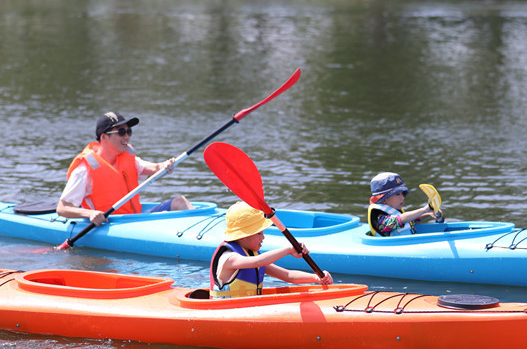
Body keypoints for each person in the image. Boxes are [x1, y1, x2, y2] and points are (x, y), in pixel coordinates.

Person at [57, 111, 193, 225]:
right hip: (110, 224)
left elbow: (155, 168)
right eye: (121, 131)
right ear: (104, 137)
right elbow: (62, 208)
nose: (127, 136)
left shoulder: (127, 158)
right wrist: (90, 213)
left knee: (179, 202)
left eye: (129, 131)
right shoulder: (84, 169)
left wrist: (165, 165)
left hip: (134, 219)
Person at [210, 201, 333, 298]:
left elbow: (288, 275)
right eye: (259, 233)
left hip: (247, 309)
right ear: (242, 236)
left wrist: (316, 278)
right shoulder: (229, 258)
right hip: (225, 310)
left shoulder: (251, 255)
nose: (263, 237)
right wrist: (288, 250)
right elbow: (258, 262)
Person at [367, 172, 438, 237]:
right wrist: (425, 209)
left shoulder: (394, 212)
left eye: (402, 193)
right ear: (384, 199)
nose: (402, 197)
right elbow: (400, 220)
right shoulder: (381, 220)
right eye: (397, 194)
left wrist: (428, 214)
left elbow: (411, 220)